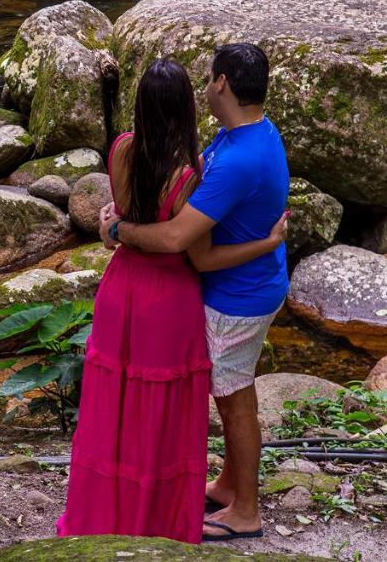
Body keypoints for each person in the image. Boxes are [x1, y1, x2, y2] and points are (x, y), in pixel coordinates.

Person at [58, 57, 286, 543]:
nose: (206, 87)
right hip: (170, 299)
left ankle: (121, 506)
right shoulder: (197, 168)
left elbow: (134, 219)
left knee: (118, 403)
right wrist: (269, 243)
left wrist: (115, 228)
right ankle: (173, 507)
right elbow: (191, 252)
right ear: (184, 107)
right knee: (161, 409)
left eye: (210, 78)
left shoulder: (120, 148)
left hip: (124, 290)